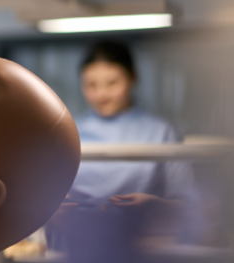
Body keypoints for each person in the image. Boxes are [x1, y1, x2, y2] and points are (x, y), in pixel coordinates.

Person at [47, 40, 200, 250]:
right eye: (91, 85)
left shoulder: (161, 131)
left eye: (112, 83)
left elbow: (189, 205)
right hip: (79, 248)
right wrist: (55, 208)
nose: (101, 94)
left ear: (133, 78)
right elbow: (47, 198)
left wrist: (155, 205)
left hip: (146, 250)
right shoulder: (68, 132)